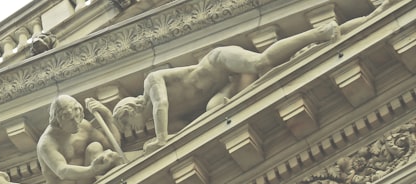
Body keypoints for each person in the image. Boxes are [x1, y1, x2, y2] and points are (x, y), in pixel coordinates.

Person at [112, 23, 340, 150]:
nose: (132, 131)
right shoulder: (170, 120)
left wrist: (160, 139)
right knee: (214, 111)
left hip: (219, 62)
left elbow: (160, 103)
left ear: (130, 111)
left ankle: (318, 33)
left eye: (128, 125)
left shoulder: (151, 82)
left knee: (261, 62)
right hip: (225, 87)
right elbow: (189, 130)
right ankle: (261, 83)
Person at [37, 94, 124, 184]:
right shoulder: (47, 143)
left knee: (95, 147)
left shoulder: (83, 126)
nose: (77, 122)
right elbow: (62, 171)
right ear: (59, 120)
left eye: (78, 117)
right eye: (71, 120)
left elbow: (114, 145)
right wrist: (91, 170)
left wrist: (107, 116)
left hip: (89, 181)